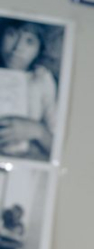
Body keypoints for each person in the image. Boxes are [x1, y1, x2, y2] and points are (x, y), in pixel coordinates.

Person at [0, 18, 58, 160]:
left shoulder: (41, 79)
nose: (18, 47)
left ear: (39, 48)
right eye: (12, 35)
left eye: (29, 41)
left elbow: (60, 146)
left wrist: (36, 131)